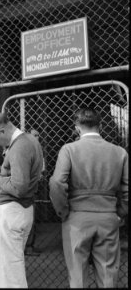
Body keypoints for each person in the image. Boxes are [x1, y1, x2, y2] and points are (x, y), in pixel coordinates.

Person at [49, 108, 128, 288]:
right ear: (99, 125)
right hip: (108, 216)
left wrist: (63, 212)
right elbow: (127, 188)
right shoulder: (119, 152)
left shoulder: (69, 149)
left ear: (77, 128)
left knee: (77, 275)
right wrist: (120, 212)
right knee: (108, 274)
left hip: (76, 218)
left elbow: (56, 183)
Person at [0, 113, 43, 288]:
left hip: (10, 210)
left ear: (2, 130)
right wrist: (2, 169)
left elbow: (19, 187)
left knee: (7, 271)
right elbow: (22, 175)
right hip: (21, 210)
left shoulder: (19, 146)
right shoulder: (29, 140)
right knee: (11, 266)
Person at [24, 129, 45, 256]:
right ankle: (27, 247)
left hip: (35, 186)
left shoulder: (39, 149)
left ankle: (30, 245)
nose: (37, 137)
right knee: (28, 218)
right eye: (35, 135)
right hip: (28, 188)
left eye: (38, 135)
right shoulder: (25, 149)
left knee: (33, 218)